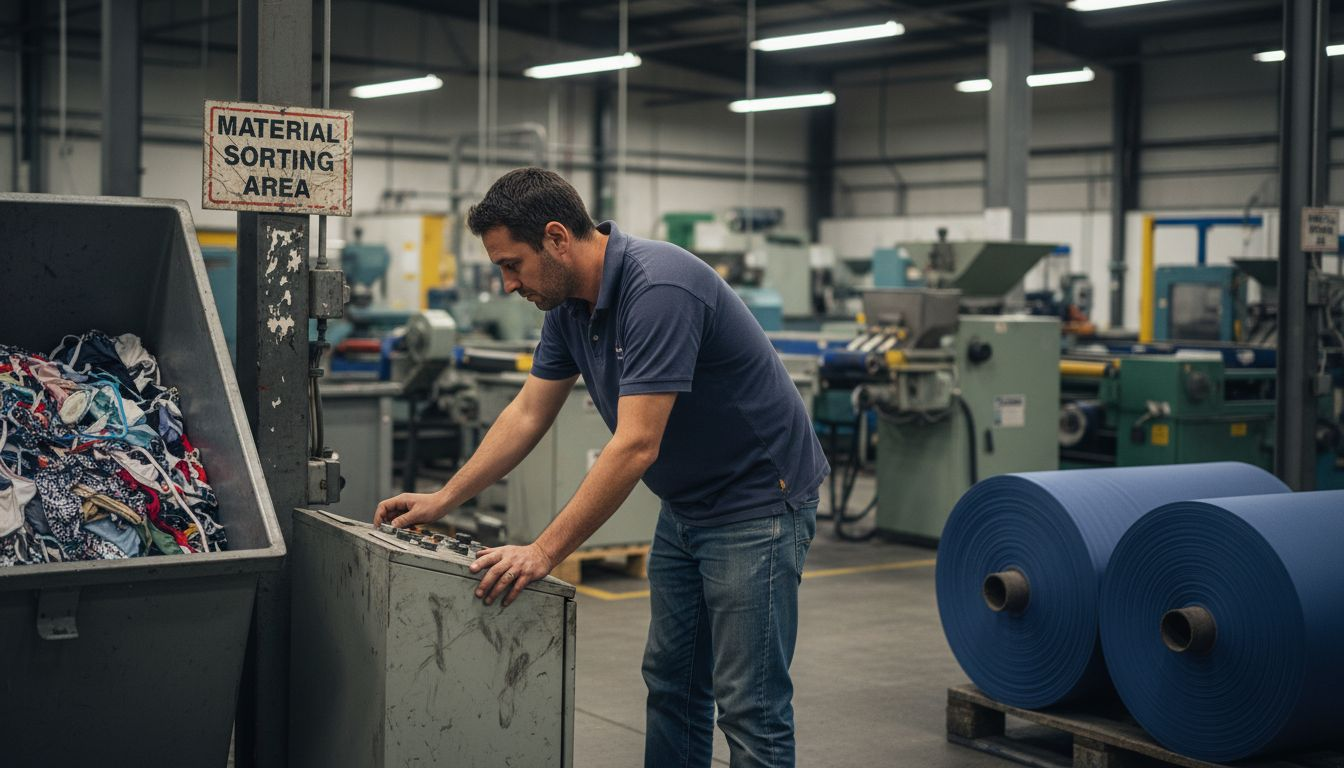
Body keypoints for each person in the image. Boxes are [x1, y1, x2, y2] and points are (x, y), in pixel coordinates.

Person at [374, 167, 828, 768]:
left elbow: (636, 445)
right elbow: (529, 412)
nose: (508, 284)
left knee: (750, 707)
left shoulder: (659, 288)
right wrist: (444, 498)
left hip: (757, 504)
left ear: (558, 239)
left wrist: (543, 550)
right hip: (689, 503)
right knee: (672, 686)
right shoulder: (567, 307)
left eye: (513, 264)